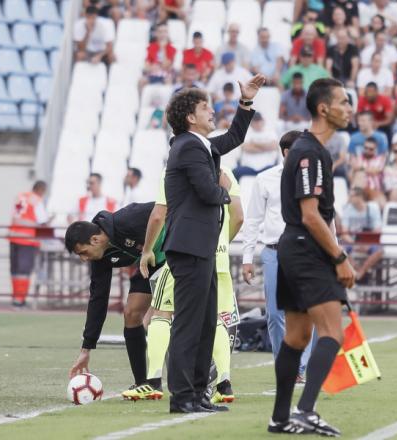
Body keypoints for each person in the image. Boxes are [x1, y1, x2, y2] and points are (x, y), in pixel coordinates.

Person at [161, 76, 265, 414]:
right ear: (190, 117)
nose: (212, 111)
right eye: (206, 107)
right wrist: (224, 190)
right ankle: (182, 397)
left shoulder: (200, 145)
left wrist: (246, 102)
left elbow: (234, 137)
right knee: (190, 324)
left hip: (201, 246)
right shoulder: (189, 146)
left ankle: (196, 394)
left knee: (206, 323)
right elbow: (208, 192)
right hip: (190, 246)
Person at [268, 78, 354, 436]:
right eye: (344, 102)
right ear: (324, 108)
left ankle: (280, 417)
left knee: (296, 338)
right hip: (306, 247)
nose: (349, 109)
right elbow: (310, 214)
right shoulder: (311, 152)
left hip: (293, 245)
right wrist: (339, 257)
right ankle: (305, 410)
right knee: (333, 332)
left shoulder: (312, 149)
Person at [138, 166, 243, 403]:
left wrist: (146, 250)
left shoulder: (175, 168)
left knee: (161, 313)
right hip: (220, 259)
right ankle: (223, 385)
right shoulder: (224, 172)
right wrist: (221, 243)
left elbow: (158, 214)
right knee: (216, 319)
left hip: (186, 253)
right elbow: (239, 216)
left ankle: (153, 381)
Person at [65, 202, 166, 400]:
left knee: (167, 315)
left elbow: (164, 208)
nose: (84, 259)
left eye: (83, 253)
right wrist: (87, 348)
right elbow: (98, 300)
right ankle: (143, 383)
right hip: (151, 263)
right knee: (132, 314)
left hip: (177, 255)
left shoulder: (128, 219)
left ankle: (201, 376)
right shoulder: (100, 259)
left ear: (94, 240)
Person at [242, 131, 312, 381]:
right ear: (285, 152)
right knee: (273, 314)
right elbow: (252, 220)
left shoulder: (313, 179)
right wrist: (247, 258)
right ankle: (287, 364)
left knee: (306, 311)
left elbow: (327, 218)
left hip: (307, 252)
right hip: (273, 252)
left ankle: (300, 367)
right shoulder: (265, 179)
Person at [9, 181, 50, 308]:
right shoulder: (37, 200)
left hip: (14, 237)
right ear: (41, 190)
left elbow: (16, 216)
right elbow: (43, 221)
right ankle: (20, 300)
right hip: (28, 240)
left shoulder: (21, 197)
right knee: (24, 271)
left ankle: (15, 298)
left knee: (15, 271)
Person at [339, 186, 384, 281]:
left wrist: (365, 244)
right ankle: (355, 270)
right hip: (352, 242)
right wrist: (355, 244)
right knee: (340, 250)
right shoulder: (347, 209)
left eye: (352, 196)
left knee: (379, 251)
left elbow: (377, 230)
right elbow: (344, 233)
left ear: (360, 197)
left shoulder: (373, 208)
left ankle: (361, 272)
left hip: (368, 242)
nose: (349, 198)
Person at [234, 112, 280, 179]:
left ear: (263, 121)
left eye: (259, 121)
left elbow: (274, 146)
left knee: (279, 173)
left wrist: (254, 143)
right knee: (233, 173)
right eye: (255, 122)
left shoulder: (270, 132)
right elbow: (246, 148)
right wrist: (266, 147)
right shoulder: (246, 133)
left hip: (267, 167)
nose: (257, 124)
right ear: (251, 123)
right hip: (249, 167)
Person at [348, 137, 387, 206]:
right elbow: (350, 175)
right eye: (366, 148)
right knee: (359, 175)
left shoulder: (380, 159)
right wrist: (356, 169)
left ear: (376, 149)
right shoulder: (358, 158)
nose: (367, 150)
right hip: (360, 190)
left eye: (371, 149)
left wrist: (359, 168)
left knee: (381, 203)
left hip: (374, 190)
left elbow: (375, 171)